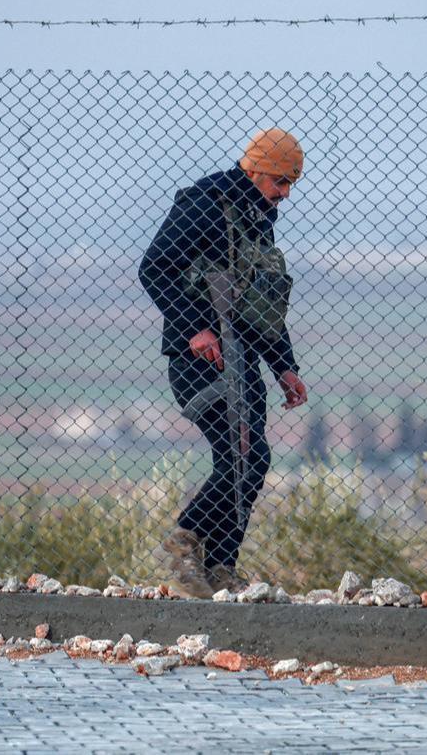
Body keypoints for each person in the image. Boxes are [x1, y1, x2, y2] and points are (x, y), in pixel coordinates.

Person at [139, 128, 309, 597]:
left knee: (250, 461)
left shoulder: (258, 218)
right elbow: (154, 267)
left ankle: (220, 569)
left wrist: (284, 367)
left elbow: (262, 304)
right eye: (279, 181)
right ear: (253, 169)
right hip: (198, 360)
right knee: (245, 458)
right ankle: (182, 543)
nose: (286, 194)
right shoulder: (203, 205)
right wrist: (195, 327)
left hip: (242, 361)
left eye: (291, 183)